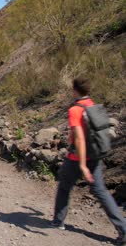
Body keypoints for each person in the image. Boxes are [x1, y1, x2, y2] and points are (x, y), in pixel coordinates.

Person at [51, 77, 125, 245]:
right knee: (101, 192)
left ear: (74, 90)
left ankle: (58, 221)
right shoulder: (92, 106)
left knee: (64, 187)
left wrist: (82, 165)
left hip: (77, 159)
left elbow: (79, 139)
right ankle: (123, 229)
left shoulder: (75, 110)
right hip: (95, 157)